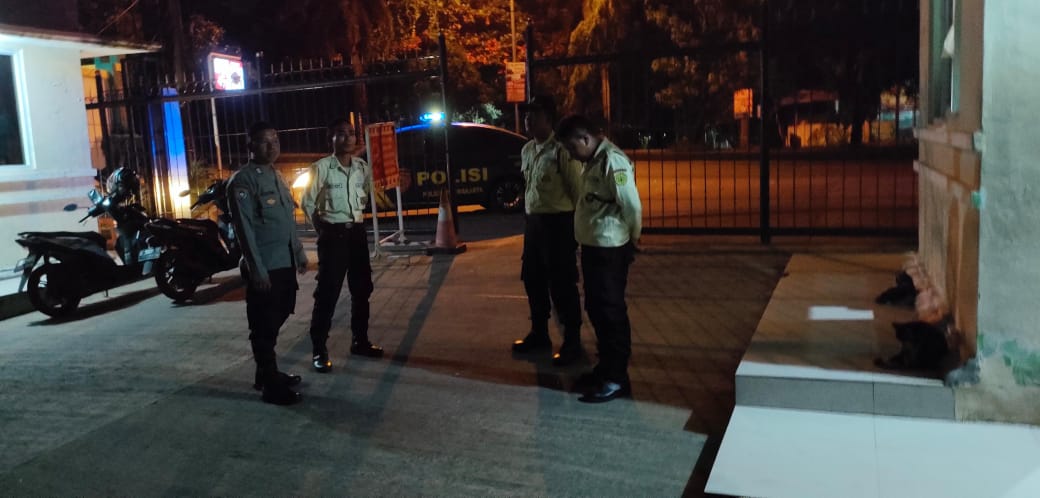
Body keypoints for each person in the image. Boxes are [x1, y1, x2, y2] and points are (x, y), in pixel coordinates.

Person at [555, 114, 642, 403]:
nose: (570, 154)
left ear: (585, 138)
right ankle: (605, 368)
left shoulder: (612, 161)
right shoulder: (593, 160)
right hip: (594, 246)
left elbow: (631, 205)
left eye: (572, 147)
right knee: (596, 308)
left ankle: (617, 378)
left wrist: (634, 239)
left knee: (610, 311)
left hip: (609, 248)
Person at [228, 121, 308, 406]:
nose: (272, 146)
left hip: (284, 260)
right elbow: (244, 229)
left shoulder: (278, 177)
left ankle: (266, 373)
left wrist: (298, 252)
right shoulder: (243, 181)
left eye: (275, 140)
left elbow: (287, 220)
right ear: (250, 145)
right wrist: (256, 269)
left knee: (283, 309)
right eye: (264, 141)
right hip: (264, 264)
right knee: (263, 324)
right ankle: (270, 385)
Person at [300, 118, 383, 375]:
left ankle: (360, 341)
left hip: (356, 233)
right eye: (340, 134)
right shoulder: (321, 168)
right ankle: (319, 350)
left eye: (351, 133)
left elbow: (367, 195)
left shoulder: (361, 168)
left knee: (362, 289)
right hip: (333, 235)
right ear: (331, 139)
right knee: (328, 293)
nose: (347, 138)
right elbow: (307, 202)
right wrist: (323, 230)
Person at [510, 95, 585, 366]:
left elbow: (578, 193)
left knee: (562, 284)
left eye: (535, 114)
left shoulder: (562, 151)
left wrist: (577, 232)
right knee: (533, 279)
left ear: (549, 119)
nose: (528, 119)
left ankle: (572, 342)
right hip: (534, 225)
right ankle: (539, 333)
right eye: (526, 115)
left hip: (558, 225)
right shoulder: (527, 150)